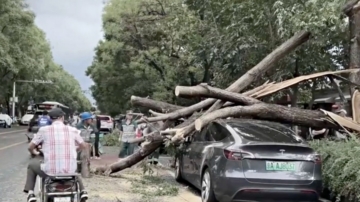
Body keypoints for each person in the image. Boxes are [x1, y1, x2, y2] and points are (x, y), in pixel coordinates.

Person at [24, 108, 88, 202]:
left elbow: (30, 147)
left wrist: (34, 152)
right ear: (62, 117)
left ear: (50, 119)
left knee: (32, 164)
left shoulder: (44, 130)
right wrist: (75, 149)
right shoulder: (72, 130)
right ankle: (83, 191)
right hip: (69, 172)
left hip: (50, 173)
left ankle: (31, 193)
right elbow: (83, 145)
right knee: (72, 169)